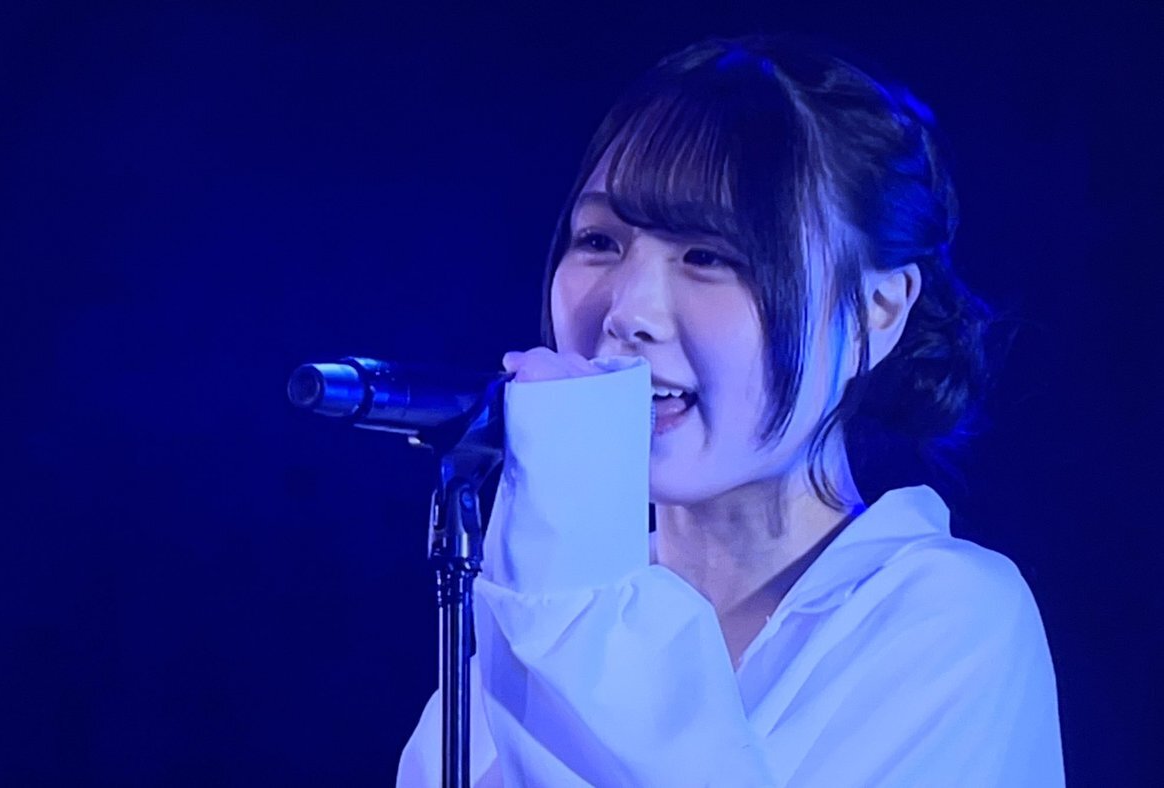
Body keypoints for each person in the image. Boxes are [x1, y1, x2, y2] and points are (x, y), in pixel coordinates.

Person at [397, 34, 1063, 786]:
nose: (627, 311)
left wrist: (566, 563)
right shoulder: (521, 635)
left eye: (708, 256)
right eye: (600, 241)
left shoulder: (948, 619)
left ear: (877, 310)